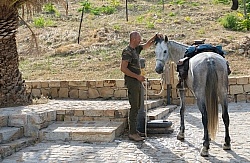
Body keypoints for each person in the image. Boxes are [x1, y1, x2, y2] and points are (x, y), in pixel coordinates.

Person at [120, 31, 162, 141]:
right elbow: (123, 68)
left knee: (138, 106)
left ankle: (134, 131)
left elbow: (146, 45)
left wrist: (155, 37)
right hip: (132, 82)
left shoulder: (136, 49)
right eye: (139, 38)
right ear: (133, 39)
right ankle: (132, 133)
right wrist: (137, 77)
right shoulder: (127, 51)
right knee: (134, 107)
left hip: (137, 81)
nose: (140, 40)